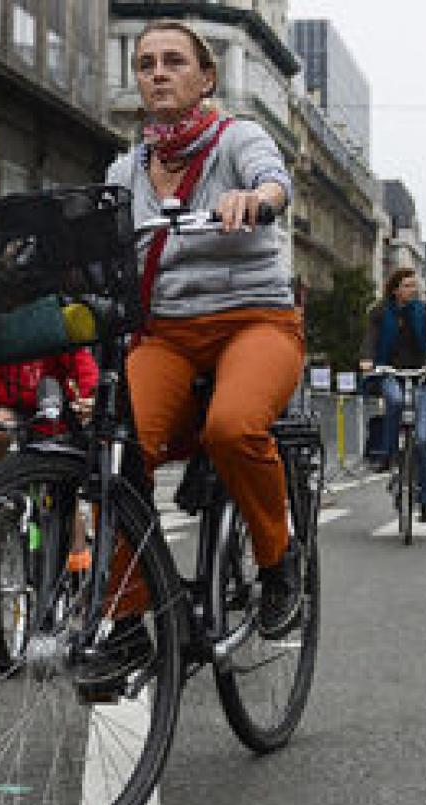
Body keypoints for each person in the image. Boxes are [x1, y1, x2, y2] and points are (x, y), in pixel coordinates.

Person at [93, 19, 307, 682]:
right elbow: (103, 245)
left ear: (205, 77)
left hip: (255, 322)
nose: (158, 72)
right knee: (116, 448)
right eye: (147, 62)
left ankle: (279, 563)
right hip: (168, 333)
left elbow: (276, 181)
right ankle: (127, 620)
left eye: (174, 61)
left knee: (234, 425)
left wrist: (258, 200)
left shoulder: (236, 138)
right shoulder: (125, 168)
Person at [0, 336, 98, 555]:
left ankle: (78, 564)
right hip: (12, 412)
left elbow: (81, 362)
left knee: (64, 501)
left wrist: (91, 396)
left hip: (53, 417)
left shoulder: (49, 324)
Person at [359, 267, 426, 524]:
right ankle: (389, 452)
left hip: (420, 375)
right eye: (409, 285)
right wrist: (367, 359)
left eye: (415, 285)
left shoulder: (423, 311)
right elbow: (371, 338)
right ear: (396, 289)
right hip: (390, 373)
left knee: (422, 441)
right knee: (396, 401)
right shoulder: (379, 312)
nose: (415, 289)